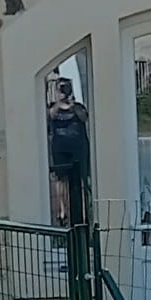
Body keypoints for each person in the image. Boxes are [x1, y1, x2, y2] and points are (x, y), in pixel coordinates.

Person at [46, 78, 90, 225]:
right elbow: (50, 116)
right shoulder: (53, 107)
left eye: (66, 88)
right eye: (61, 89)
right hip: (60, 148)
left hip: (77, 147)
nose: (64, 92)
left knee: (80, 180)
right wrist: (59, 104)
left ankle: (83, 211)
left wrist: (73, 105)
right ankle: (62, 211)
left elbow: (84, 117)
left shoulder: (77, 107)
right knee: (60, 179)